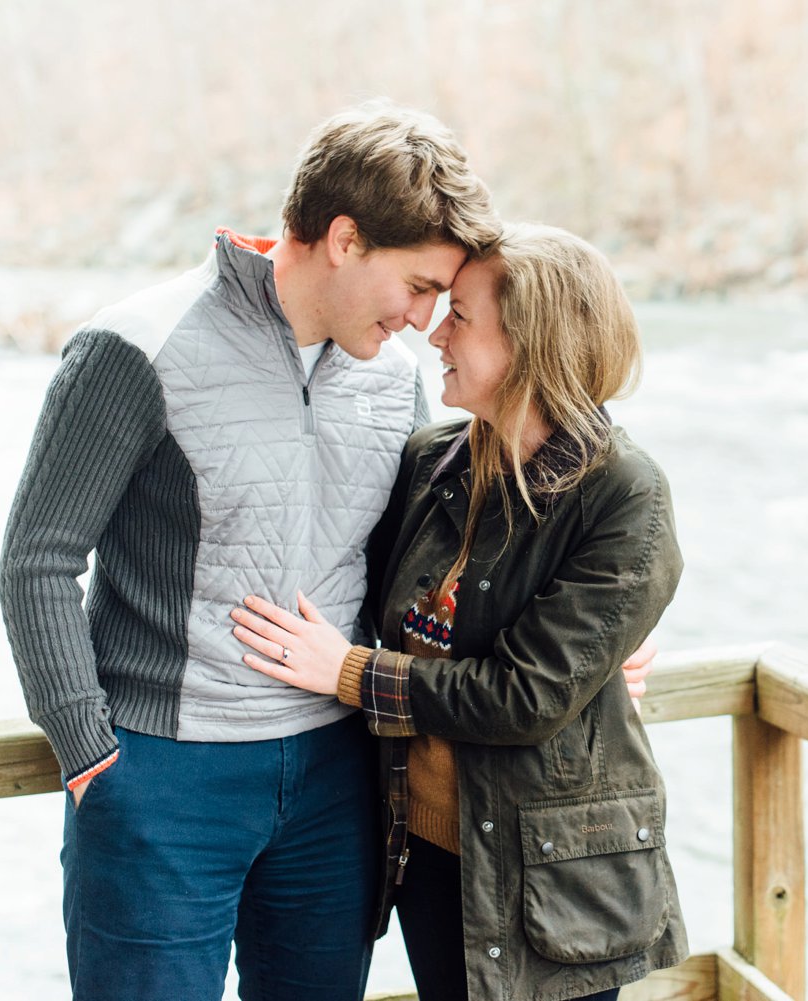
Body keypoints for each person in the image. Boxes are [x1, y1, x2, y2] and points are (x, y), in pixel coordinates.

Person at [0, 103, 652, 1001]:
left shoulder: (392, 377)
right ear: (344, 239)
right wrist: (90, 754)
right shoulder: (137, 345)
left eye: (444, 299)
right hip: (165, 779)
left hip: (341, 779)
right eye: (420, 285)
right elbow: (36, 559)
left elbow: (430, 572)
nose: (427, 321)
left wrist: (594, 655)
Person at [231, 223, 688, 1000]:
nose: (433, 331)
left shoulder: (624, 492)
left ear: (533, 341)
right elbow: (369, 603)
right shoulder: (429, 462)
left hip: (552, 872)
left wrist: (346, 672)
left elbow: (524, 696)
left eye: (462, 316)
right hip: (429, 853)